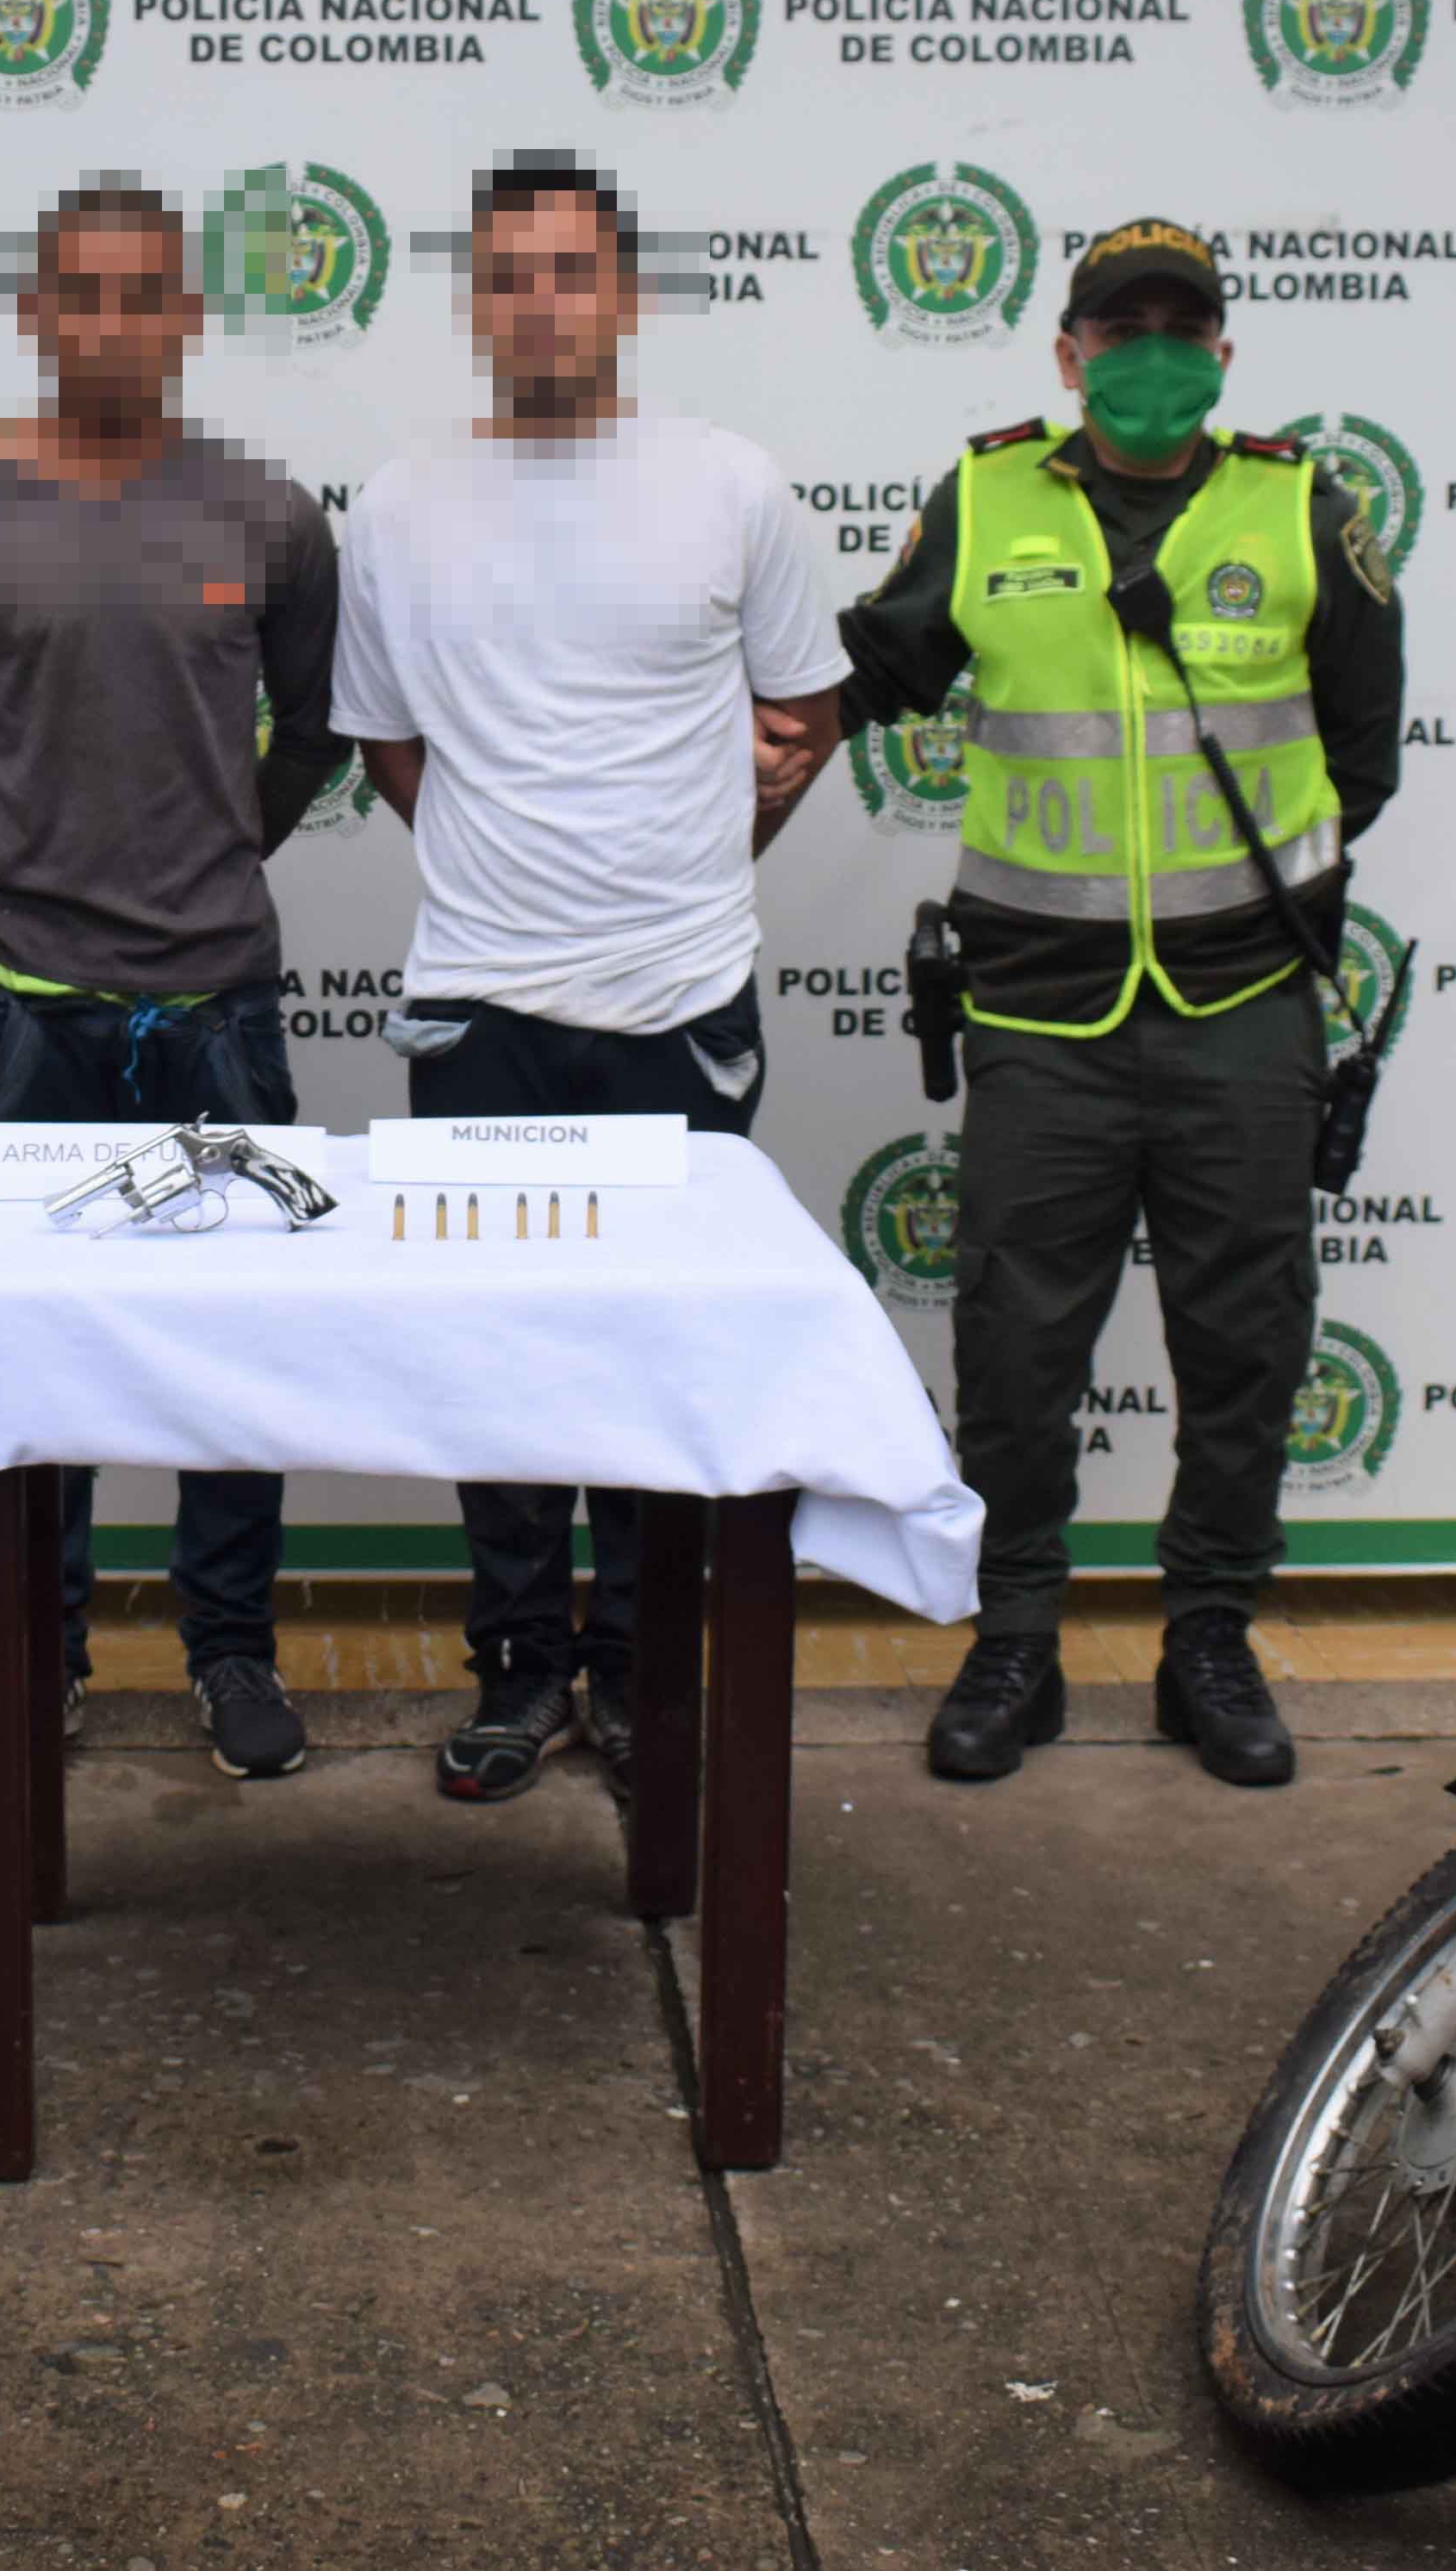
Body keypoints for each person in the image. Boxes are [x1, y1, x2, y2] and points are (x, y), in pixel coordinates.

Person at [838, 215, 1409, 1790]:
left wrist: (1250, 907)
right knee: (1017, 1342)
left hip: (1241, 1006)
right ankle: (1011, 1637)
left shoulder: (1302, 505)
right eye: (1120, 327)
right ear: (1067, 351)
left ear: (1219, 353)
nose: (1149, 353)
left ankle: (1206, 1641)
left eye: (1180, 328)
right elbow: (869, 674)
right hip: (1040, 1009)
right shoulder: (981, 494)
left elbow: (1360, 752)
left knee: (1244, 1339)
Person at [333, 153, 844, 1804]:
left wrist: (672, 875)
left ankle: (632, 1672)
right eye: (503, 272)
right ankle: (516, 1673)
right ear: (470, 299)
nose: (536, 300)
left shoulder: (730, 487)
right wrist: (520, 881)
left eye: (566, 269)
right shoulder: (399, 503)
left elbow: (798, 719)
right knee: (493, 1365)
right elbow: (392, 750)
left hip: (678, 1007)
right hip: (476, 1005)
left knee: (653, 1365)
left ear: (623, 292)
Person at [0, 177, 345, 1779]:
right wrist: (28, 862)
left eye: (143, 295)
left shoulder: (268, 517)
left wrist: (216, 853)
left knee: (236, 1348)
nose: (109, 324)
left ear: (186, 320)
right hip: (25, 1002)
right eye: (78, 294)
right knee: (34, 1356)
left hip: (215, 995)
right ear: (32, 313)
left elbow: (317, 730)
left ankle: (228, 1651)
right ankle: (42, 1651)